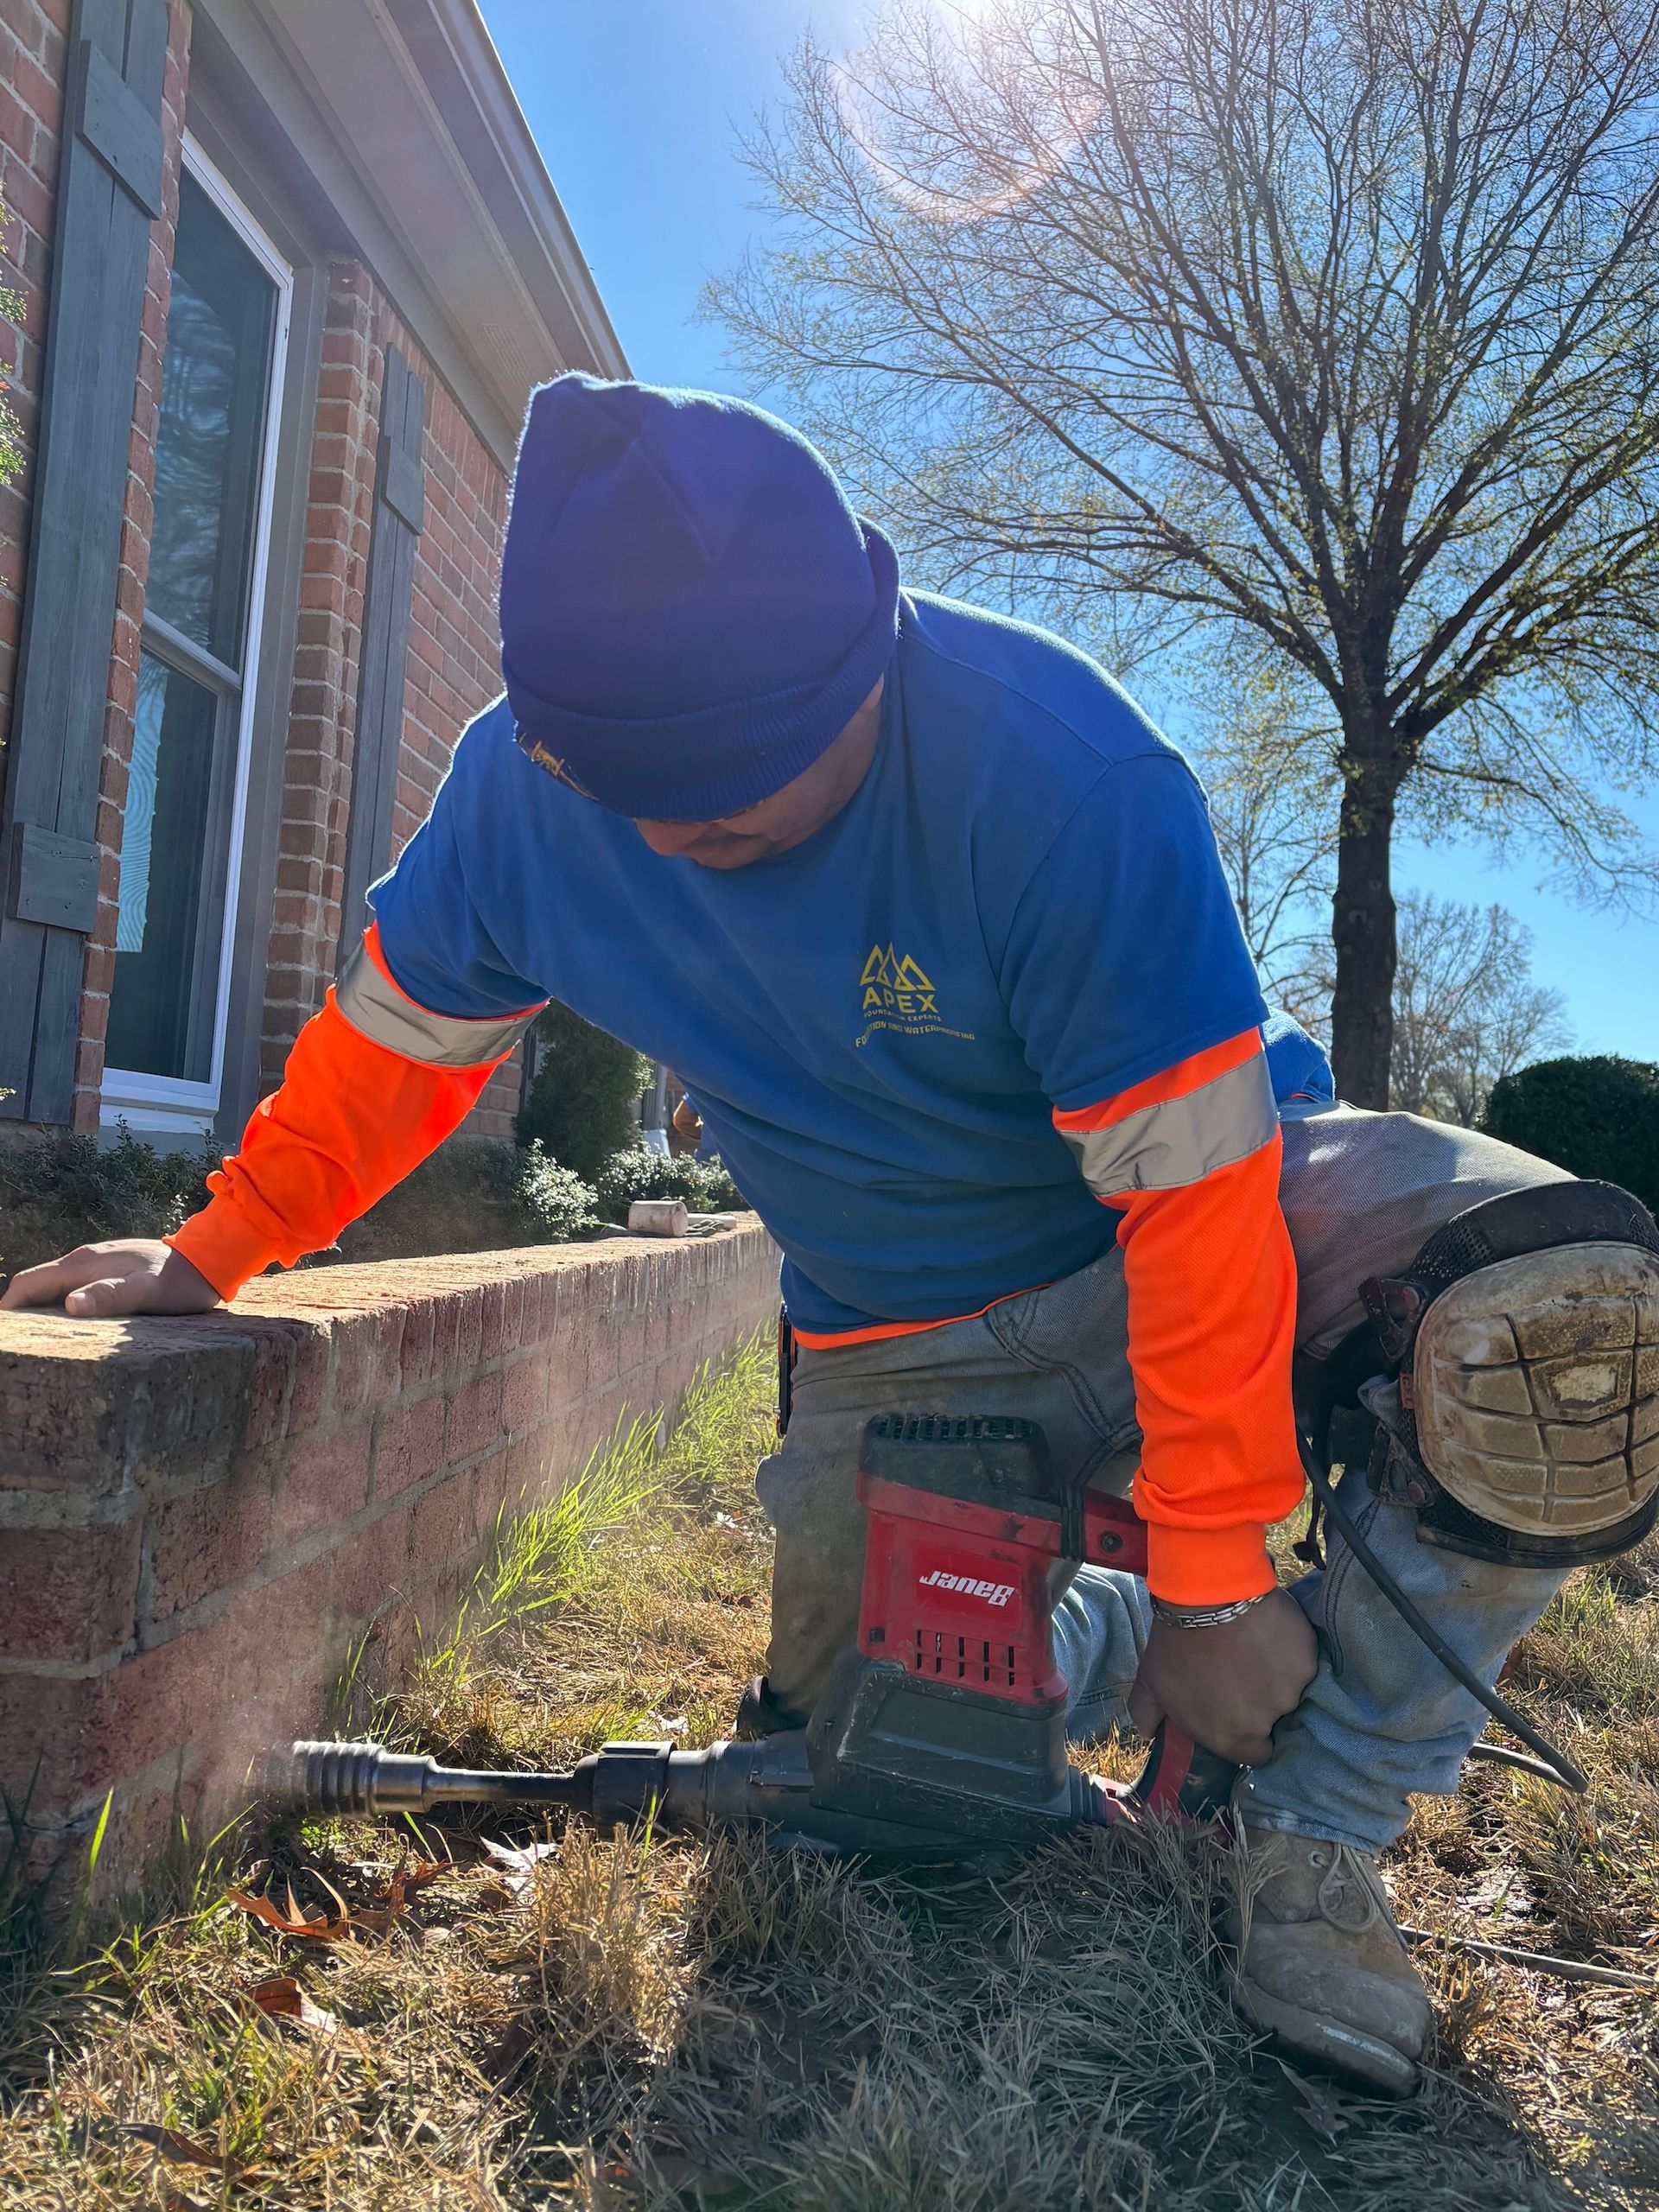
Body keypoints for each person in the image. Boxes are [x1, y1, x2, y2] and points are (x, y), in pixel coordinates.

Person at [9, 379, 1656, 2094]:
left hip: (1223, 1213)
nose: (690, 833)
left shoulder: (1061, 767)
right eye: (637, 788)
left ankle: (1312, 1825)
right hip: (904, 1331)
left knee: (1552, 1301)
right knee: (883, 1794)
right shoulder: (518, 796)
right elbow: (389, 1057)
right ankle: (1098, 1642)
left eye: (746, 774)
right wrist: (212, 1254)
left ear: (871, 642)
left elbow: (1189, 1197)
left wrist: (1222, 1557)